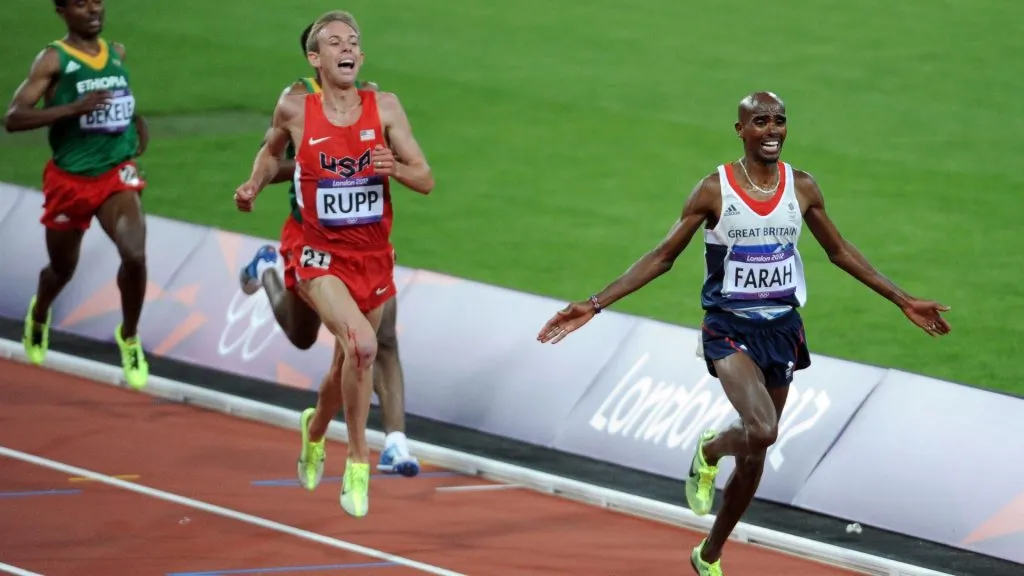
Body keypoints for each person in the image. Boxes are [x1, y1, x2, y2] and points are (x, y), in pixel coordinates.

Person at [537, 92, 951, 575]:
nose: (772, 130)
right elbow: (661, 256)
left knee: (756, 454)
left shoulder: (802, 187)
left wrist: (903, 299)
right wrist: (594, 303)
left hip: (783, 328)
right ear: (741, 130)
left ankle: (708, 553)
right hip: (727, 328)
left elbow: (839, 252)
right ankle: (711, 447)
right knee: (763, 429)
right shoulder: (714, 190)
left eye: (779, 121)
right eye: (760, 121)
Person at [234, 10, 434, 518]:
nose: (347, 48)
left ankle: (315, 430)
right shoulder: (296, 107)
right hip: (315, 251)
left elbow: (426, 177)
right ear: (315, 57)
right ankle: (360, 462)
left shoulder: (384, 106)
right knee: (365, 344)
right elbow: (268, 151)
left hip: (370, 255)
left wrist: (397, 170)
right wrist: (254, 185)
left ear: (361, 56)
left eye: (354, 42)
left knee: (349, 361)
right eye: (335, 42)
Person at [4, 0, 150, 390]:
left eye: (96, 2)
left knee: (134, 254)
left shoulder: (115, 52)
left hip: (114, 175)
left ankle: (130, 337)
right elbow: (14, 117)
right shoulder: (53, 60)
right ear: (62, 11)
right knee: (62, 269)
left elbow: (119, 100)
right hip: (70, 181)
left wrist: (136, 123)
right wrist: (72, 108)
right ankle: (39, 314)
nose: (92, 10)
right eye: (81, 4)